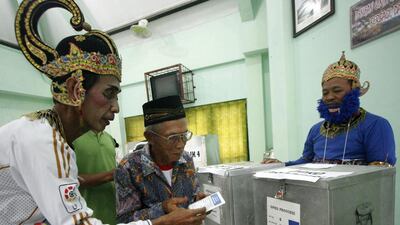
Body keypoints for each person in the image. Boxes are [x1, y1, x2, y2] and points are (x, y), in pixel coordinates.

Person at [0, 1, 206, 225]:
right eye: (109, 93)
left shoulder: (53, 139)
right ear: (74, 89)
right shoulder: (42, 140)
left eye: (183, 136)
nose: (116, 107)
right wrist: (163, 221)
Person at [264, 52, 396, 166]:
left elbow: (380, 174)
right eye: (325, 93)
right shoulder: (316, 130)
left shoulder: (376, 125)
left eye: (337, 90)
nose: (329, 97)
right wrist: (281, 165)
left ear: (355, 90)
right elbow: (305, 162)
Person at [115, 95, 206, 223]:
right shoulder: (129, 168)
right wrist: (163, 208)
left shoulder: (186, 159)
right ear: (150, 137)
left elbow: (192, 197)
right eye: (172, 137)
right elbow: (125, 220)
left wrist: (199, 202)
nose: (181, 144)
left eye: (184, 135)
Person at [74, 130, 118, 225]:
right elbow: (70, 179)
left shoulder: (108, 137)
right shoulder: (72, 139)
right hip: (87, 216)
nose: (112, 116)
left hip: (114, 214)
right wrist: (110, 175)